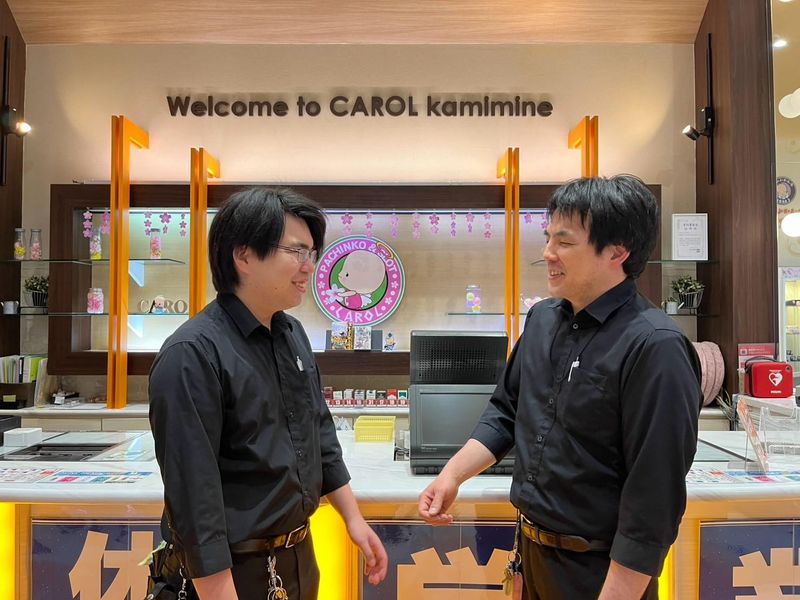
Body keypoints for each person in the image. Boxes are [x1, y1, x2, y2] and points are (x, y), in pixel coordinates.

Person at [418, 175, 701, 599]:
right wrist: (451, 476)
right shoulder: (542, 319)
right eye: (548, 238)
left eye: (564, 242)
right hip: (531, 553)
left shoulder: (655, 346)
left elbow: (654, 498)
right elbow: (506, 411)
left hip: (599, 571)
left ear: (617, 251)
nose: (548, 253)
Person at [150, 187, 388, 600]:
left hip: (298, 557)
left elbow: (319, 433)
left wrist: (353, 518)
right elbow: (194, 499)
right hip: (232, 572)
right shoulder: (191, 354)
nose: (309, 267)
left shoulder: (291, 334)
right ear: (243, 256)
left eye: (311, 253)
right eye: (296, 251)